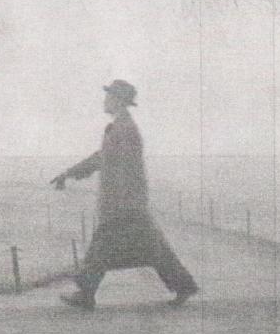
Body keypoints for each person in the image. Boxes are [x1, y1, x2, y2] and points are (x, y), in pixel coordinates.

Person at [50, 80, 198, 310]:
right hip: (126, 204)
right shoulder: (120, 127)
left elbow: (126, 168)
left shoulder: (125, 129)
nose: (104, 101)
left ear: (118, 100)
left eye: (108, 97)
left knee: (103, 245)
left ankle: (85, 294)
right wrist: (70, 173)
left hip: (124, 204)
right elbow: (102, 157)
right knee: (152, 248)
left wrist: (122, 202)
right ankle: (184, 286)